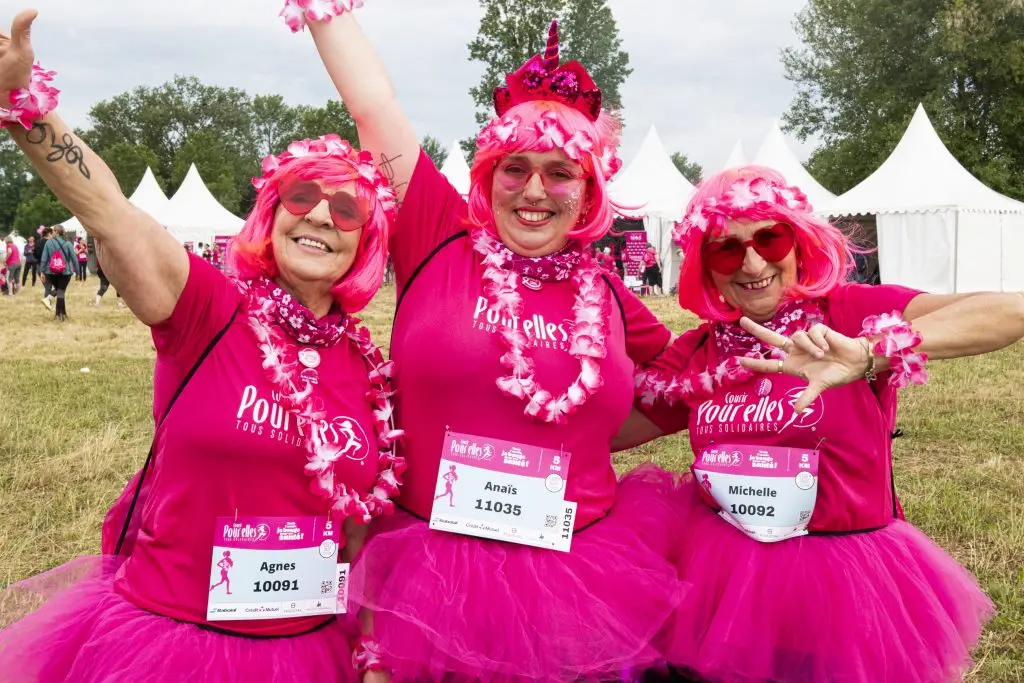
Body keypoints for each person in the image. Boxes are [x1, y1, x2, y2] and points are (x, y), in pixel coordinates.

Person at [0, 10, 404, 681]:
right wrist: (23, 106)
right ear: (270, 215)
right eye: (300, 195)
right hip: (175, 641)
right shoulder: (210, 311)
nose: (319, 217)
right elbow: (113, 216)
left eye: (346, 210)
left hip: (311, 652)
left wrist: (372, 654)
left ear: (364, 242)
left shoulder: (370, 374)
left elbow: (362, 535)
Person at [299, 8, 684, 681]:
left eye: (560, 171)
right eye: (515, 168)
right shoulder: (437, 233)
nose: (535, 189)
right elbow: (373, 104)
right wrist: (324, 13)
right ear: (489, 174)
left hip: (577, 573)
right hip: (426, 568)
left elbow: (686, 384)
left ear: (589, 186)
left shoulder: (612, 298)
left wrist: (587, 437)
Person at [623, 165, 1024, 683]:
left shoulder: (851, 313)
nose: (751, 262)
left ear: (799, 242)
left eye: (770, 238)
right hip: (722, 576)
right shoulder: (700, 351)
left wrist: (869, 353)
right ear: (706, 266)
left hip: (842, 581)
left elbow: (1009, 311)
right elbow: (616, 432)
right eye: (726, 249)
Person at [38, 224, 76, 320]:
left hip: (51, 272)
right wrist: (78, 272)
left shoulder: (48, 243)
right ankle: (59, 314)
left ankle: (61, 314)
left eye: (53, 231)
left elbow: (44, 259)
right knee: (60, 292)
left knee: (60, 292)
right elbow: (74, 259)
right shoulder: (68, 244)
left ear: (56, 232)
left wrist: (42, 272)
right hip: (65, 272)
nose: (52, 232)